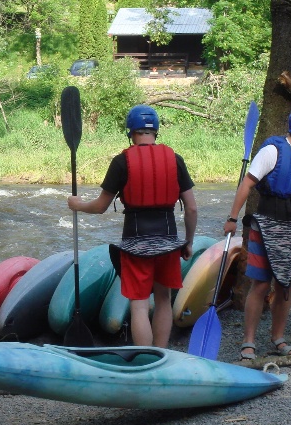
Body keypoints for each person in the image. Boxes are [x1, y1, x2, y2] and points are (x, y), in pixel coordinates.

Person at [67, 105, 197, 348]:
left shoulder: (121, 162)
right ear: (155, 131)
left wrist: (77, 204)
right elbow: (191, 208)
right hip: (169, 240)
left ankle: (144, 357)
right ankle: (161, 354)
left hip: (135, 241)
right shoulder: (175, 159)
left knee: (138, 304)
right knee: (163, 299)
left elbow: (100, 206)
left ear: (130, 131)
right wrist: (188, 242)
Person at [224, 105, 291, 360]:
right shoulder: (272, 151)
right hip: (266, 224)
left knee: (286, 286)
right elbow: (246, 185)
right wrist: (232, 218)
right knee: (260, 284)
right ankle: (248, 341)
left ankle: (278, 338)